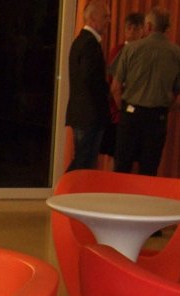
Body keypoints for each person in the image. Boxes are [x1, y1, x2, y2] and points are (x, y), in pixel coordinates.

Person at [110, 6, 180, 176]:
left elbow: (115, 87)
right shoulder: (179, 54)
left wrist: (123, 109)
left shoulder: (130, 49)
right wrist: (169, 108)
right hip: (157, 117)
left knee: (122, 167)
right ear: (168, 28)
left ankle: (118, 193)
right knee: (149, 170)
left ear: (148, 26)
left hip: (131, 114)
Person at [65, 0, 111, 171]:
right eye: (105, 16)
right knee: (84, 162)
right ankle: (64, 186)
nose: (108, 21)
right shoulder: (89, 44)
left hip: (83, 113)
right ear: (92, 18)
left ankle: (67, 186)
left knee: (83, 162)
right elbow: (90, 79)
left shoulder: (82, 41)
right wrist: (107, 91)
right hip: (89, 114)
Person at [101, 12, 145, 157]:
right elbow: (113, 84)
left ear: (143, 30)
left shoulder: (145, 52)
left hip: (139, 110)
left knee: (134, 154)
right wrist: (121, 109)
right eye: (129, 28)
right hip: (119, 111)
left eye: (136, 28)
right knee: (117, 153)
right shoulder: (118, 51)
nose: (132, 32)